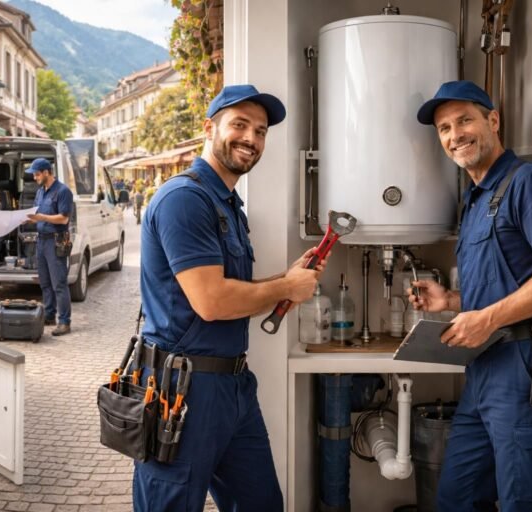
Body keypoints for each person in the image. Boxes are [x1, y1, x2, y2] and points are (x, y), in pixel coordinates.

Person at [135, 84, 326, 511]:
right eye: (240, 125)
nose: (251, 139)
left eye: (260, 131)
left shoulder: (226, 204)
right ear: (209, 128)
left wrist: (288, 277)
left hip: (233, 387)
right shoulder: (185, 199)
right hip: (183, 391)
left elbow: (230, 289)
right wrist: (284, 288)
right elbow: (212, 301)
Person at [410, 80, 532, 511]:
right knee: (456, 499)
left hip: (528, 368)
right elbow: (502, 282)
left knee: (526, 502)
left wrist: (487, 319)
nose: (456, 135)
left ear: (493, 120)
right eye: (445, 128)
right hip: (484, 372)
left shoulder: (530, 182)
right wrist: (451, 302)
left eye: (465, 120)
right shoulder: (475, 201)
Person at [25, 158, 74, 336]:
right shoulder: (40, 192)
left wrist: (42, 218)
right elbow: (38, 214)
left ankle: (64, 322)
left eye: (37, 174)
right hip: (41, 240)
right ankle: (50, 315)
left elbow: (63, 218)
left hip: (56, 241)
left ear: (47, 172)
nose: (34, 177)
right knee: (45, 283)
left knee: (59, 283)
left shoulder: (63, 192)